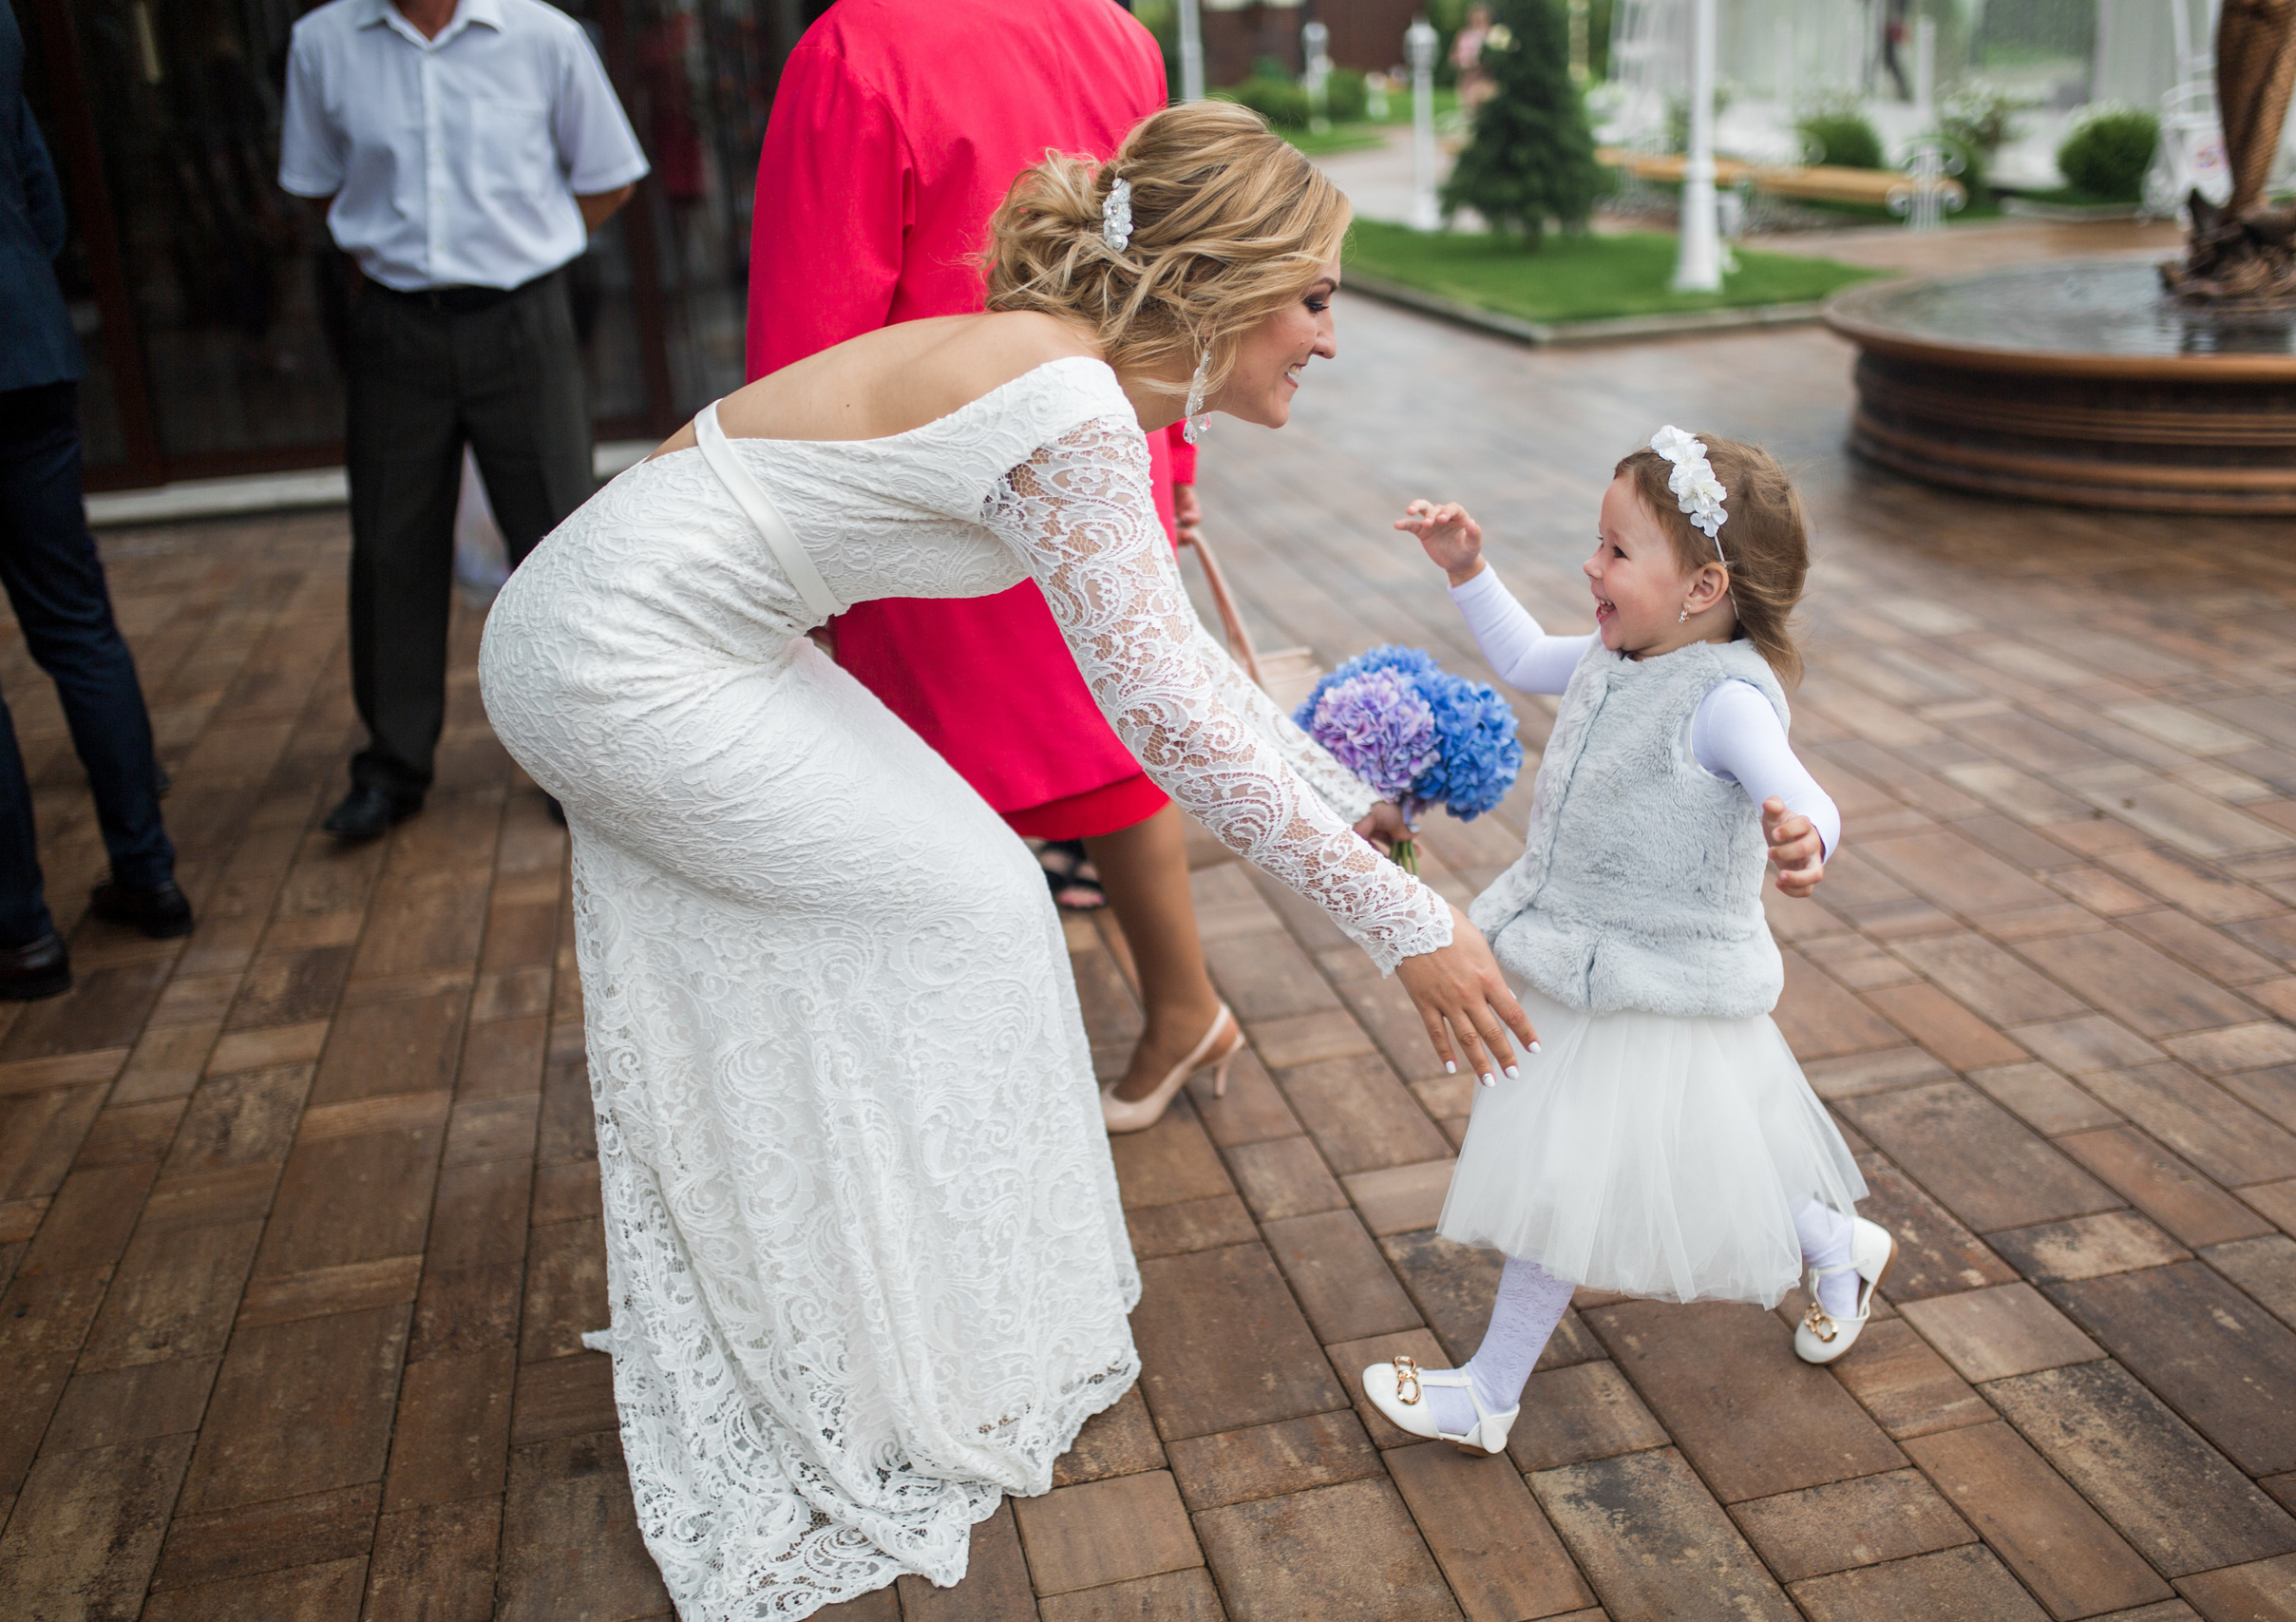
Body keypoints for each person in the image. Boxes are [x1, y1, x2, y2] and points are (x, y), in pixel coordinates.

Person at [478, 103, 1533, 1615]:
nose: (1329, 337)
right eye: (1314, 298)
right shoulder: (1072, 404)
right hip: (624, 659)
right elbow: (1163, 709)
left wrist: (1345, 802)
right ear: (1221, 284)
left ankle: (877, 1304)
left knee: (965, 902)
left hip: (681, 630)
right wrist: (1402, 917)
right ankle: (903, 1333)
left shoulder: (1063, 369)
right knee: (976, 908)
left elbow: (1183, 676)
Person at [748, 0, 1230, 1130]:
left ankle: (975, 1076)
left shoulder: (854, 50)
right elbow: (1172, 272)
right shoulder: (1114, 28)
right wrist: (1176, 450)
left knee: (924, 771)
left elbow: (813, 327)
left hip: (935, 468)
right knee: (1109, 721)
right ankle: (1178, 1003)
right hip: (1102, 436)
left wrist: (788, 534)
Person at [1363, 427, 1887, 1457]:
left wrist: (1801, 833)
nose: (1590, 567)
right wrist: (1468, 570)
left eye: (1614, 550)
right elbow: (1517, 656)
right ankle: (1837, 1244)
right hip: (1578, 957)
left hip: (1655, 980)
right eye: (1595, 543)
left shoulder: (1725, 701)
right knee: (1708, 1153)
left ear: (1701, 589)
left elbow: (1806, 794)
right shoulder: (1612, 656)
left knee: (1571, 1175)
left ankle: (1487, 1395)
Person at [277, 0, 649, 840]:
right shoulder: (322, 43)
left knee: (557, 541)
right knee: (388, 544)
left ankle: (577, 766)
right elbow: (317, 184)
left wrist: (527, 244)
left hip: (523, 321)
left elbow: (609, 177)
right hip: (395, 322)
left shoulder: (544, 36)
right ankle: (393, 767)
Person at [0, 3, 191, 1002]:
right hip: (24, 346)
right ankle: (149, 872)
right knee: (77, 624)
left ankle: (21, 933)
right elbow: (41, 190)